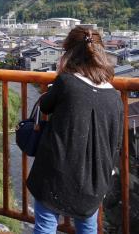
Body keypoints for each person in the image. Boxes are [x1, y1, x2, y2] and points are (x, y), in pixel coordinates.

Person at [27, 26, 123, 234]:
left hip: (56, 172)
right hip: (93, 178)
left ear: (69, 52)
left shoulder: (66, 82)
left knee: (45, 226)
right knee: (87, 227)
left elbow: (45, 106)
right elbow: (116, 140)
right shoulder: (114, 96)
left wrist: (61, 72)